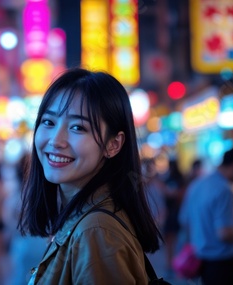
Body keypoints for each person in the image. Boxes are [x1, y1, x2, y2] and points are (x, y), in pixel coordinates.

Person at [17, 67, 163, 284]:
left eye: (77, 127)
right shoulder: (84, 219)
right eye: (48, 122)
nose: (56, 140)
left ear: (113, 145)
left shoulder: (95, 231)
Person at [178, 146, 233, 285]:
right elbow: (224, 233)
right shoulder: (223, 189)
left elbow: (185, 220)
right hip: (222, 263)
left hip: (201, 261)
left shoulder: (197, 184)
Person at [3, 153, 47, 285]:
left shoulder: (16, 196)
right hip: (43, 244)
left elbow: (9, 222)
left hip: (22, 243)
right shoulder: (45, 193)